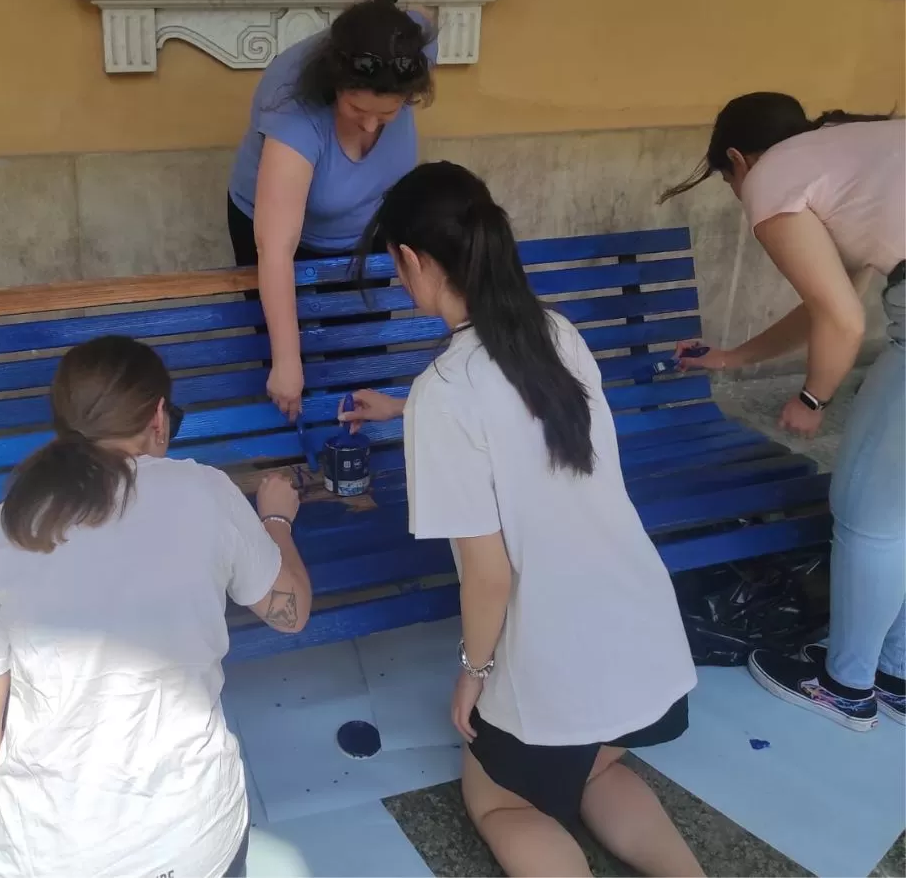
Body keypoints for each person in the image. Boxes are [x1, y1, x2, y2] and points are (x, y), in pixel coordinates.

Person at [339, 161, 703, 877]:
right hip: (640, 628)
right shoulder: (556, 331)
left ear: (412, 259)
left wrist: (473, 673)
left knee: (501, 800)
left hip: (551, 651)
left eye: (393, 263)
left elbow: (489, 573)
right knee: (596, 768)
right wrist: (408, 408)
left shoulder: (444, 393)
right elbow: (516, 417)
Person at [0, 335, 312, 877]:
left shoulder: (2, 532)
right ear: (159, 417)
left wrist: (64, 815)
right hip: (194, 845)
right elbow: (290, 612)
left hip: (39, 859)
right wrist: (275, 520)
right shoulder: (204, 492)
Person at [661, 92, 905, 731]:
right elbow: (826, 304)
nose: (743, 196)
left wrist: (812, 397)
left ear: (738, 160)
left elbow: (843, 320)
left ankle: (845, 686)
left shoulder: (773, 175)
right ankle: (897, 674)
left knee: (869, 513)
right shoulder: (849, 161)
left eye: (729, 180)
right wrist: (732, 358)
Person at [227, 0, 436, 420]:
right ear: (335, 82)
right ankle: (293, 454)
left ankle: (353, 453)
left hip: (365, 227)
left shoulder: (408, 54)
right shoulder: (293, 106)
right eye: (358, 109)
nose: (371, 125)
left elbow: (419, 16)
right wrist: (288, 363)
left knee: (361, 347)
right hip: (280, 231)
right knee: (283, 353)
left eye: (389, 114)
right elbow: (276, 248)